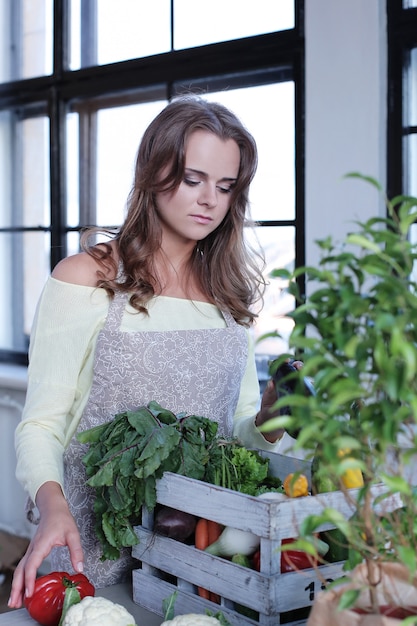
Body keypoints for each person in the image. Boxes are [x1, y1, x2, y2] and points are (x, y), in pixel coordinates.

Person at [9, 95, 288, 609]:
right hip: (89, 549)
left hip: (199, 560)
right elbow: (41, 424)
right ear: (153, 172)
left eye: (225, 187)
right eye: (192, 179)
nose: (209, 199)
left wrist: (270, 418)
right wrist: (52, 507)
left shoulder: (227, 297)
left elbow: (240, 428)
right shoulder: (87, 277)